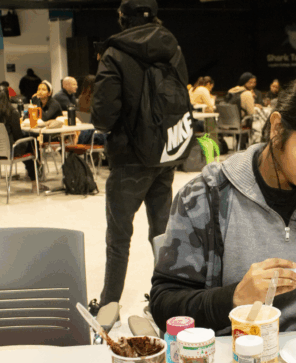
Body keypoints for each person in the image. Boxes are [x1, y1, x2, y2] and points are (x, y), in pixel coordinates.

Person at [150, 71, 296, 334]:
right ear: (277, 127)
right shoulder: (206, 197)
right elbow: (164, 306)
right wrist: (235, 298)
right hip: (233, 360)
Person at [89, 0, 189, 314]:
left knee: (118, 236)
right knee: (161, 232)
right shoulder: (173, 48)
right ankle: (166, 299)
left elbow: (103, 117)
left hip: (128, 157)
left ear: (122, 18)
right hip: (165, 153)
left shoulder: (114, 53)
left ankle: (109, 306)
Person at [0, 86, 47, 192]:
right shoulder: (11, 111)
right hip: (7, 152)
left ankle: (33, 175)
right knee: (31, 143)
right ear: (9, 96)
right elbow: (17, 136)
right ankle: (35, 182)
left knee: (28, 142)